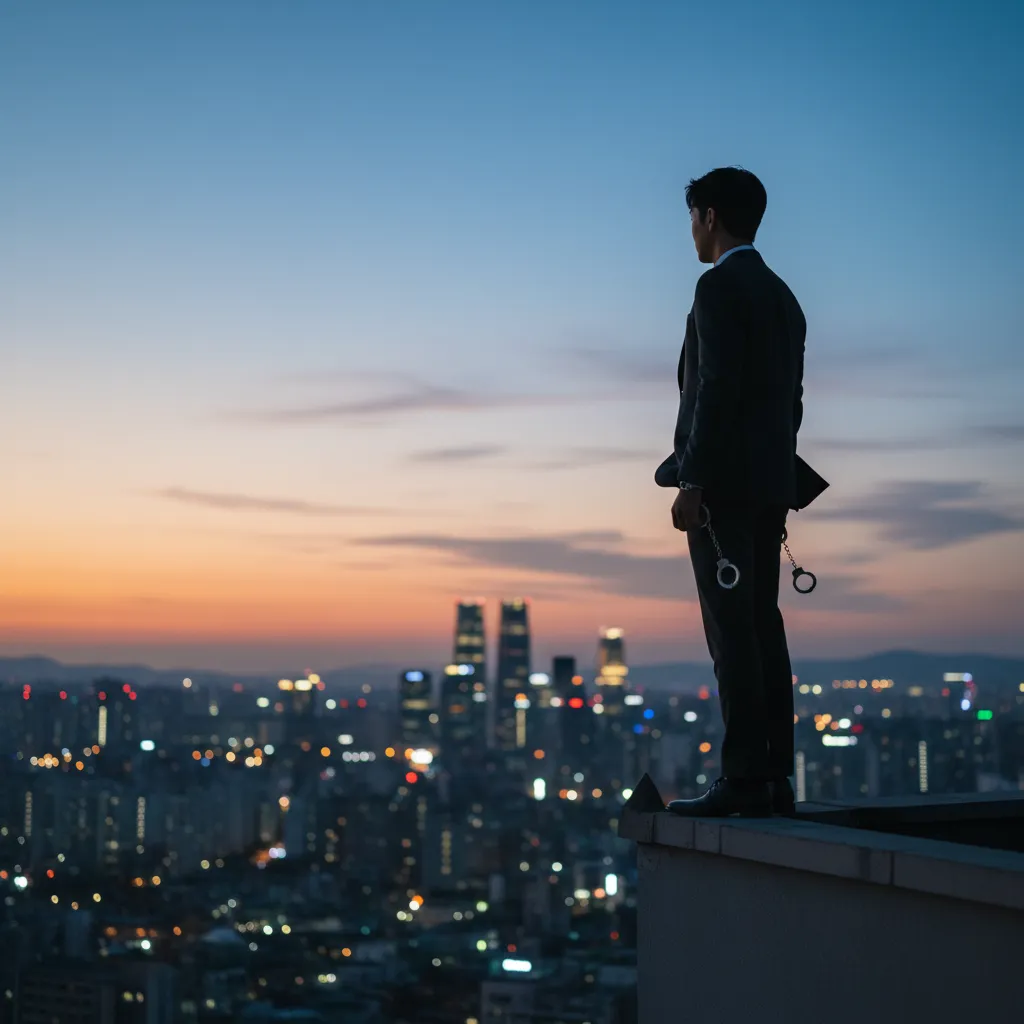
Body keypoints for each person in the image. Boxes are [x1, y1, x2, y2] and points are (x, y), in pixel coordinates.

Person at [655, 166, 805, 817]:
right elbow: (789, 403)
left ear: (710, 216)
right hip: (772, 482)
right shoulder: (783, 296)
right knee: (763, 626)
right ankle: (774, 776)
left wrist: (694, 480)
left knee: (731, 633)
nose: (691, 231)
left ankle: (743, 778)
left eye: (693, 217)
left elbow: (711, 390)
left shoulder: (717, 288)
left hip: (724, 491)